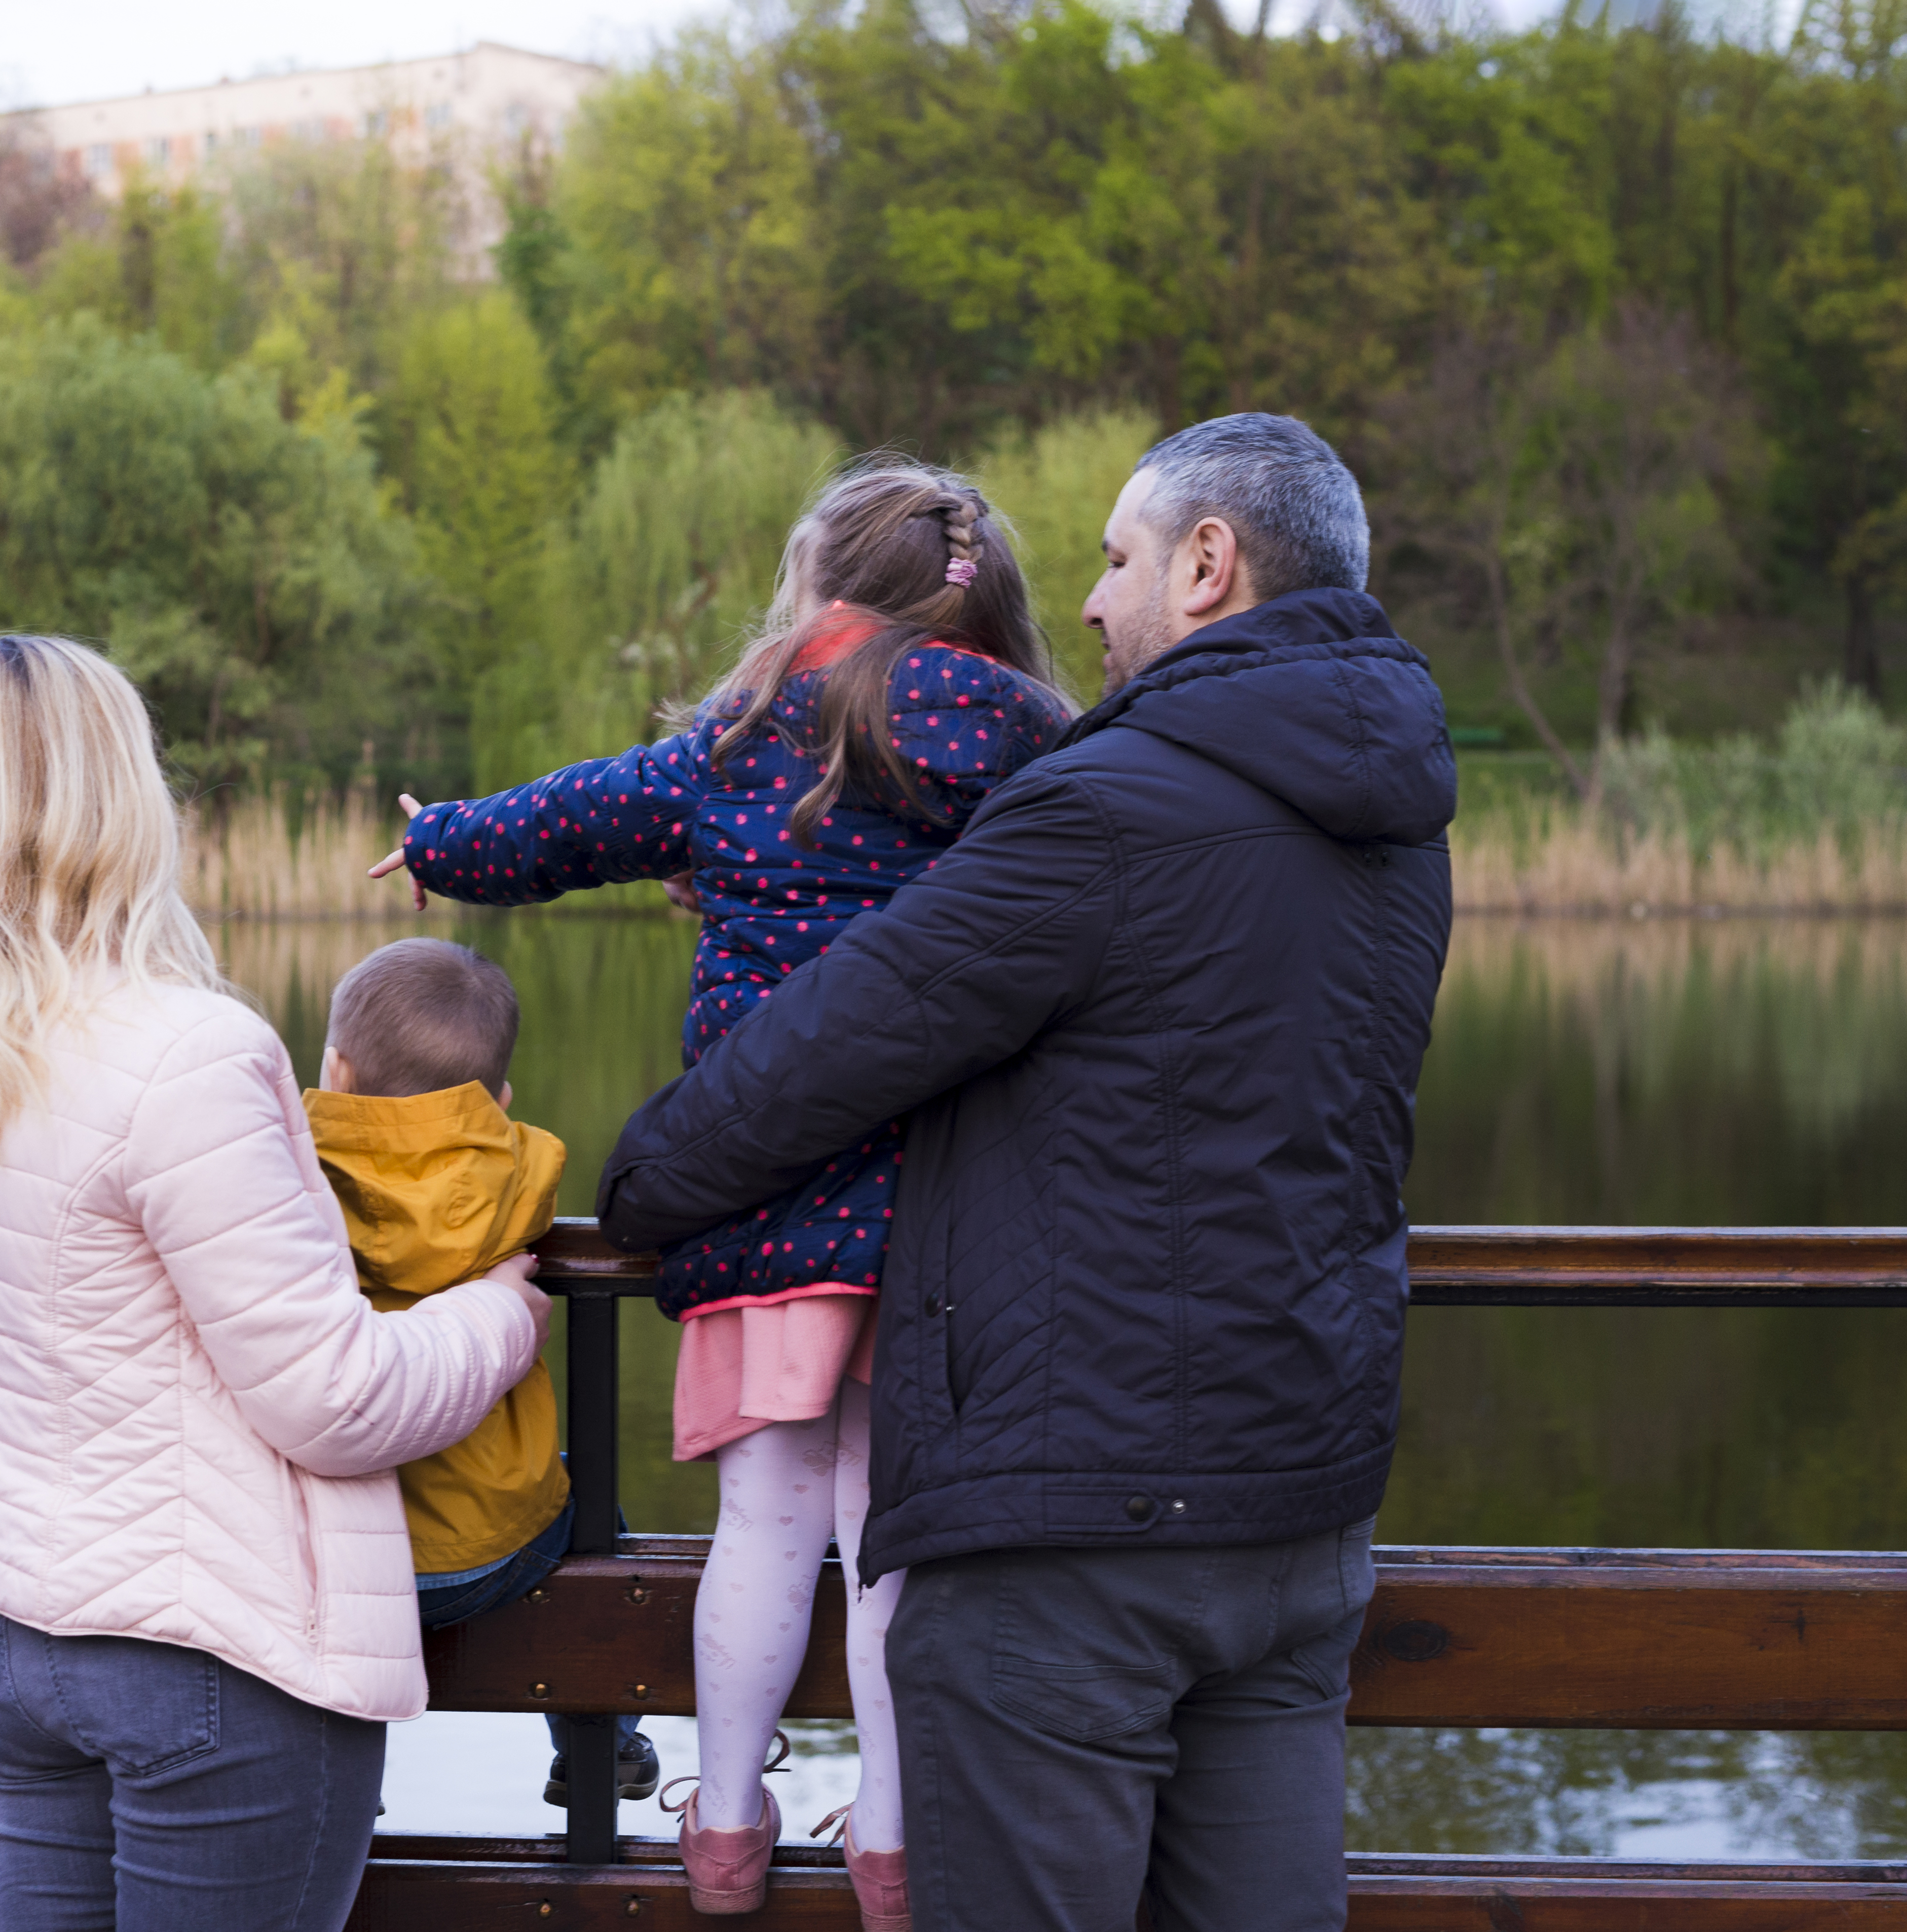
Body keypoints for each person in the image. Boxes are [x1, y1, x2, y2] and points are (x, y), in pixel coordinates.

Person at [596, 415, 1457, 1932]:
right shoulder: (1398, 828)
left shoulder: (1104, 805)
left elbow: (836, 1044)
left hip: (1072, 1539)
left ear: (1207, 564)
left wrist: (642, 1188)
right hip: (1299, 1517)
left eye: (1119, 560)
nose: (1089, 602)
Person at [372, 458, 1074, 1924]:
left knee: (762, 1519)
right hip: (947, 1209)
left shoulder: (745, 736)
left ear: (819, 584)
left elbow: (568, 821)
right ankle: (892, 1850)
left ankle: (726, 1831)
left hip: (769, 1192)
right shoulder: (1027, 739)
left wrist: (438, 839)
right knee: (892, 1544)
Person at [0, 634, 552, 1932]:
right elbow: (334, 1398)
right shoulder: (185, 1053)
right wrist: (500, 1311)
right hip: (213, 1665)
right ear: (120, 800)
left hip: (23, 1641)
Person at [300, 935, 660, 1807]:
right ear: (496, 1101)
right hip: (491, 1548)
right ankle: (603, 1741)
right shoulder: (519, 1171)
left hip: (324, 1559)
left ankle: (340, 1788)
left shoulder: (287, 1170)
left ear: (336, 1069)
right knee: (589, 1499)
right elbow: (512, 1150)